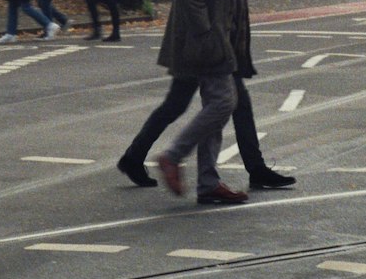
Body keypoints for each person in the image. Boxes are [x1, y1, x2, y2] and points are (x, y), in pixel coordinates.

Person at [153, 0, 262, 205]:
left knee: (217, 105)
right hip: (207, 43)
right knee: (224, 103)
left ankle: (207, 182)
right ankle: (173, 156)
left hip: (220, 40)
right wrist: (209, 34)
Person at [117, 73, 296, 193]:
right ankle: (202, 174)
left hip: (208, 45)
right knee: (214, 104)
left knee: (181, 104)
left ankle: (134, 157)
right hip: (204, 48)